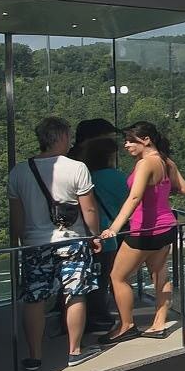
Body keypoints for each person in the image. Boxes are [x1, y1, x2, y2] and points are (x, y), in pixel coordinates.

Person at [7, 116, 103, 370]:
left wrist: (21, 242)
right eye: (68, 136)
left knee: (34, 298)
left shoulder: (19, 172)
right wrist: (94, 235)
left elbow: (17, 218)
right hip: (73, 240)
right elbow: (89, 209)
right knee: (75, 292)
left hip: (34, 244)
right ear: (60, 137)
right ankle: (75, 351)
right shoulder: (77, 168)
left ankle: (34, 356)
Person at [99, 121, 185, 344]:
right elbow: (184, 188)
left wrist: (113, 228)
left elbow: (134, 197)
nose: (126, 145)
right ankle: (159, 324)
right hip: (166, 227)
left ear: (146, 140)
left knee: (117, 277)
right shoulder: (166, 161)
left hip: (143, 230)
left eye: (131, 140)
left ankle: (127, 326)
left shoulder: (144, 164)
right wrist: (161, 191)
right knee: (159, 275)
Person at [68, 118, 125, 334]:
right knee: (104, 278)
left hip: (77, 234)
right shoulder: (115, 177)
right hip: (105, 236)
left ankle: (79, 320)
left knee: (81, 280)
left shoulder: (80, 172)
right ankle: (99, 319)